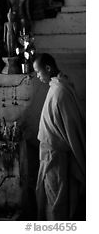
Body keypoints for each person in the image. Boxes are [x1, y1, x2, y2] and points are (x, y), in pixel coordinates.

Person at [33, 53, 85, 220]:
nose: (37, 76)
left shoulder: (60, 92)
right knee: (50, 197)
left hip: (55, 157)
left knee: (55, 201)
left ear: (48, 68)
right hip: (49, 154)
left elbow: (71, 128)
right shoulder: (56, 86)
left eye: (38, 72)